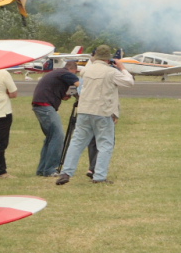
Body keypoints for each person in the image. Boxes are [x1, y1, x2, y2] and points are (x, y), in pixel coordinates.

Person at [56, 45, 133, 185]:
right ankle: (99, 176)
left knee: (77, 142)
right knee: (105, 144)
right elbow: (129, 82)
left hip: (85, 110)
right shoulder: (111, 72)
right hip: (102, 111)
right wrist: (122, 67)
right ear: (108, 59)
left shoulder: (86, 70)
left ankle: (66, 172)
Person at [31, 60, 80, 177]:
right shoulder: (67, 73)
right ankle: (50, 169)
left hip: (41, 105)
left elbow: (65, 97)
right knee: (58, 136)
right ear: (73, 70)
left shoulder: (58, 74)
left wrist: (73, 94)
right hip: (46, 106)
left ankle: (42, 169)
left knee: (51, 137)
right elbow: (80, 85)